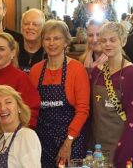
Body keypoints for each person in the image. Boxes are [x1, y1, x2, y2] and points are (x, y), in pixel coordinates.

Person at [28, 20, 89, 167]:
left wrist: (68, 142)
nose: (52, 43)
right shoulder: (35, 70)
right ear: (42, 42)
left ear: (66, 42)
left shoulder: (77, 69)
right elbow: (31, 108)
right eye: (47, 39)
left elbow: (83, 110)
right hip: (42, 140)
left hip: (70, 140)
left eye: (57, 38)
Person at [88, 21, 133, 168]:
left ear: (123, 41)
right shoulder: (97, 72)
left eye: (113, 40)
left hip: (121, 142)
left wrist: (127, 150)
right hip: (97, 144)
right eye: (103, 40)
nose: (108, 44)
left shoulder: (131, 73)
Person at [0, 33, 40, 127]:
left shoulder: (22, 78)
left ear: (12, 52)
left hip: (14, 135)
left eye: (1, 49)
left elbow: (32, 112)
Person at [0, 85, 41, 168]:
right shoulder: (0, 141)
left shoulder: (26, 136)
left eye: (8, 102)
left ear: (19, 108)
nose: (2, 108)